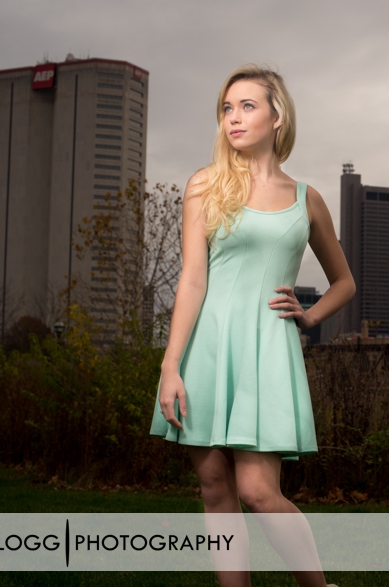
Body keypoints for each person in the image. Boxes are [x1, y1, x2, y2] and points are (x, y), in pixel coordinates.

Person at [149, 63, 354, 587]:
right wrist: (171, 364)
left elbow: (345, 282)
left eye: (247, 106)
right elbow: (193, 281)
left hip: (266, 351)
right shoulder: (205, 185)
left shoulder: (306, 199)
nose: (233, 118)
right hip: (208, 348)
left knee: (259, 492)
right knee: (215, 487)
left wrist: (309, 317)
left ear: (277, 116)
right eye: (226, 108)